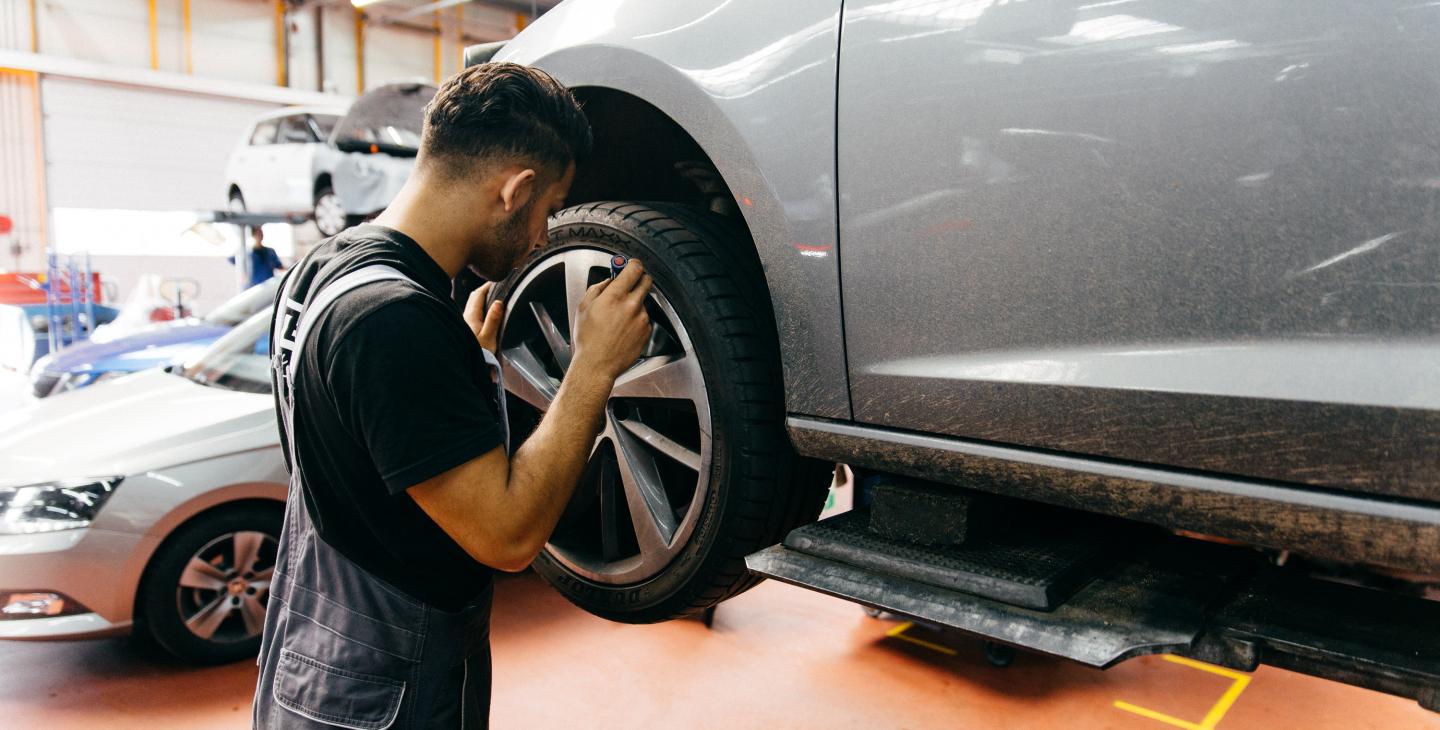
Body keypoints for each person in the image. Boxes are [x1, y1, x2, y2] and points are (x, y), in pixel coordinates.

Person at [252, 63, 653, 729]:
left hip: (313, 653)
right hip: (380, 696)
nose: (542, 239)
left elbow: (358, 452)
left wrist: (464, 374)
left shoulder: (325, 268)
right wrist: (593, 367)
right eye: (549, 211)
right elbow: (508, 536)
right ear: (514, 189)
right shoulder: (394, 321)